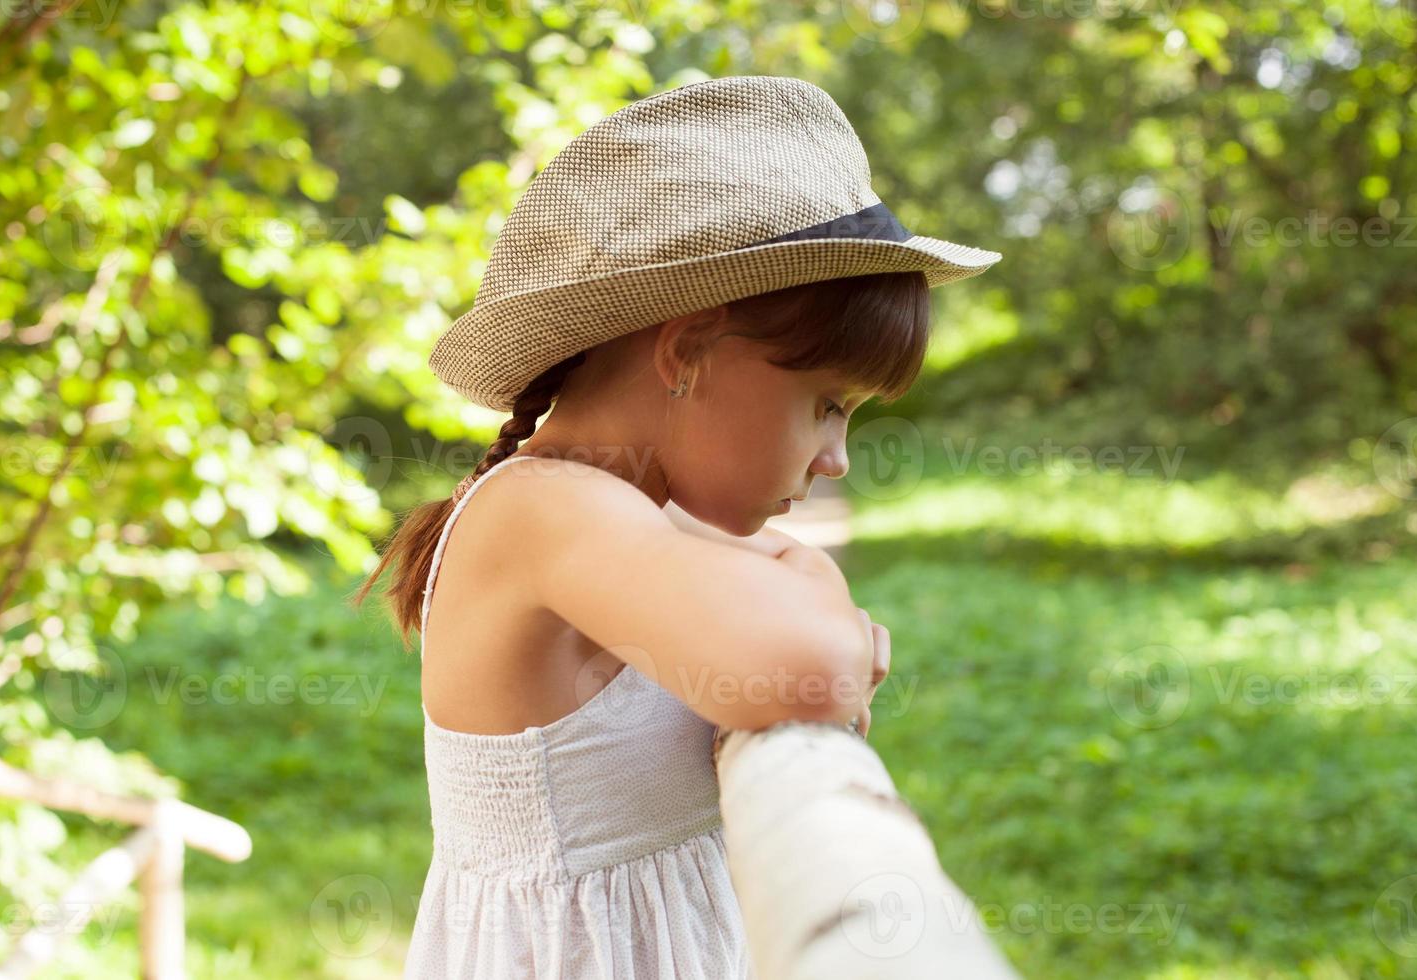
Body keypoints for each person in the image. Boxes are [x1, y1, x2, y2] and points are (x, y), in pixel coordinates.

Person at [352, 73, 1002, 979]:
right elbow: (806, 670)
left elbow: (785, 593)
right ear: (688, 348)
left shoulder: (626, 518)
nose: (835, 458)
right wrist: (837, 634)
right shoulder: (546, 511)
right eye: (825, 405)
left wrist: (814, 598)